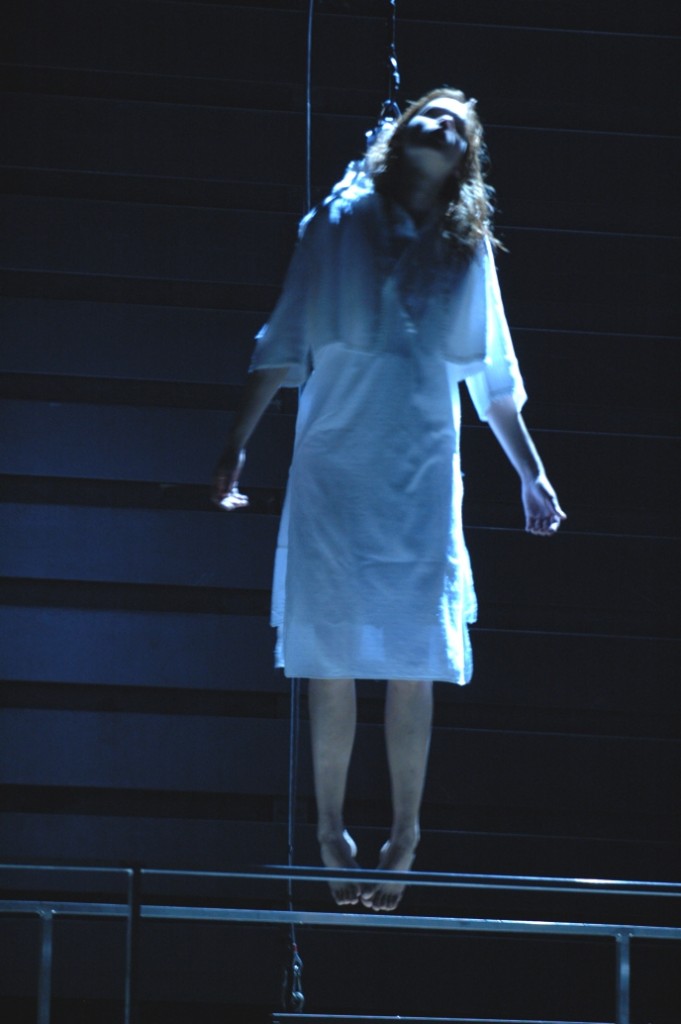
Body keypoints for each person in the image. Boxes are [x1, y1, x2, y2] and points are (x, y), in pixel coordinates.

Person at [212, 88, 565, 912]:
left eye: (456, 123)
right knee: (329, 653)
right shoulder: (336, 224)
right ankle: (328, 828)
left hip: (419, 470)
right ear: (400, 136)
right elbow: (282, 339)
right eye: (427, 115)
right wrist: (235, 442)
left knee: (414, 656)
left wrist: (531, 471)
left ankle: (405, 832)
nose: (439, 123)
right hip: (336, 463)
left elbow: (493, 377)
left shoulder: (464, 248)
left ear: (464, 156)